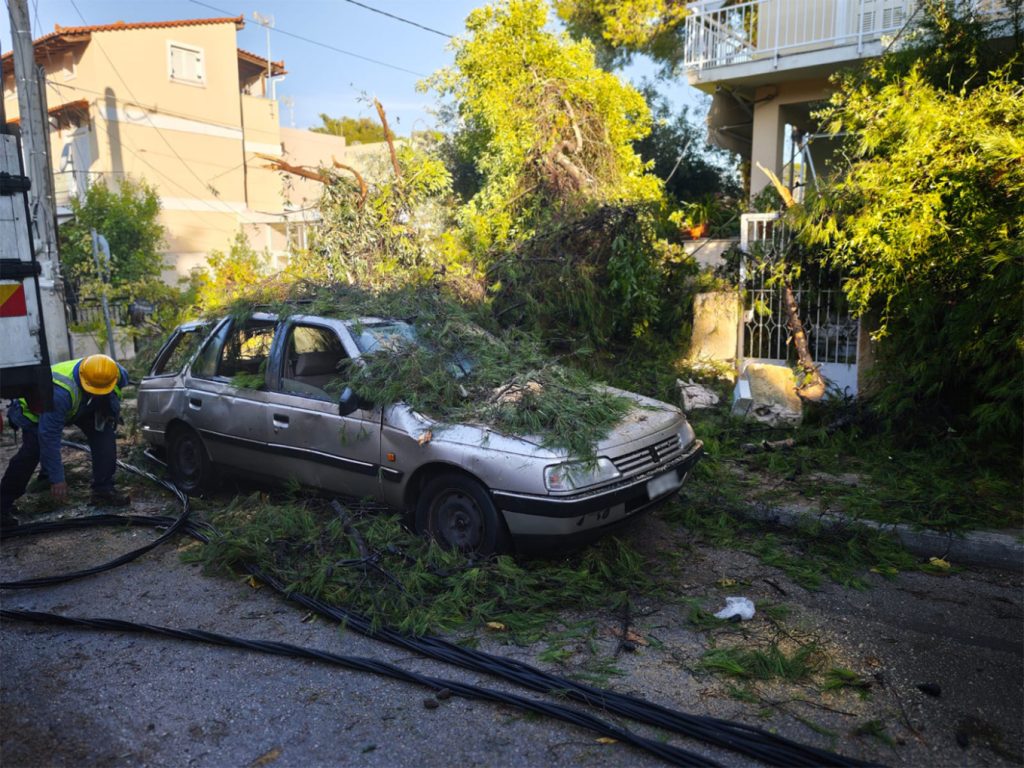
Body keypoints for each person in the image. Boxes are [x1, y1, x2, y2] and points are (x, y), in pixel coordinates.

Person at [1, 354, 130, 528]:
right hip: (35, 412)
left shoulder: (113, 372)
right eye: (94, 389)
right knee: (32, 451)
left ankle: (103, 490)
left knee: (104, 436)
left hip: (80, 406)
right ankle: (3, 504)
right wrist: (58, 479)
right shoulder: (59, 394)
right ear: (83, 379)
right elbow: (49, 437)